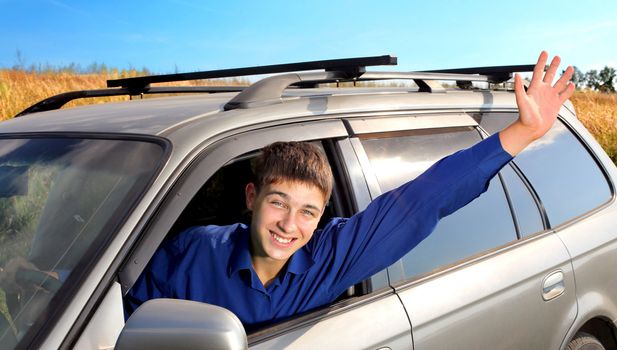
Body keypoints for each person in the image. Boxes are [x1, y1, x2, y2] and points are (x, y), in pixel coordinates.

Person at [123, 51, 575, 328]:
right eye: (277, 202)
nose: (288, 225)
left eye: (307, 212)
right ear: (250, 199)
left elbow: (423, 199)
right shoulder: (192, 254)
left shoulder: (331, 257)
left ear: (321, 218)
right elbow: (114, 320)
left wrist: (522, 132)